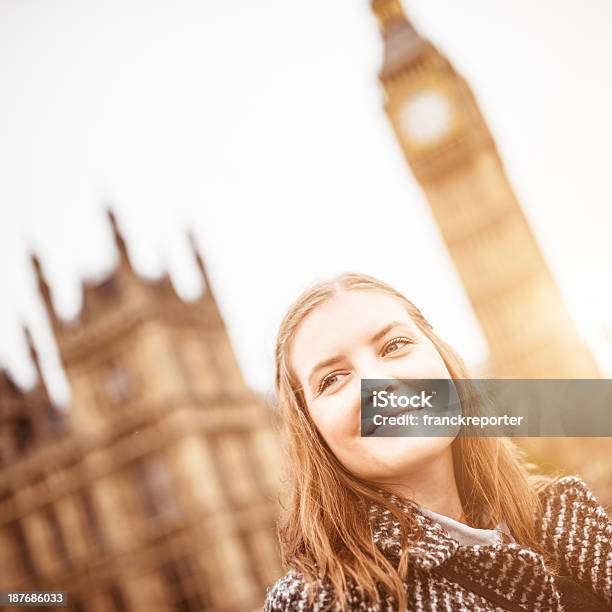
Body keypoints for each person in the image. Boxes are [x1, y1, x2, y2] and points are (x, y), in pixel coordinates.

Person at [263, 272, 612, 611]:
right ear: (310, 428)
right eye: (332, 379)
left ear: (443, 359)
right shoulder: (316, 602)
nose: (379, 383)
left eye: (394, 345)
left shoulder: (568, 512)